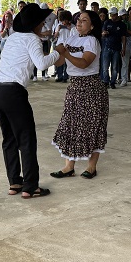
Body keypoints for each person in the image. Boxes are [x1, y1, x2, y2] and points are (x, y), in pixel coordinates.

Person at [0, 3, 65, 198]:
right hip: (13, 92)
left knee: (9, 139)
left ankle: (15, 182)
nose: (44, 24)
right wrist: (59, 52)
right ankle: (31, 186)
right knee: (27, 139)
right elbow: (41, 63)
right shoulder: (32, 39)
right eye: (42, 21)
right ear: (36, 23)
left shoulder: (13, 38)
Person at [50, 11, 107, 179]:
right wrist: (55, 53)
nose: (79, 23)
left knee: (92, 127)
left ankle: (91, 167)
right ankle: (69, 166)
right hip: (74, 87)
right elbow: (60, 61)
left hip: (91, 88)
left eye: (84, 20)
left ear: (93, 25)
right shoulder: (71, 38)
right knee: (70, 125)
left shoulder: (93, 41)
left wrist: (65, 53)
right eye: (78, 20)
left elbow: (84, 63)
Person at [100, 7, 126, 89]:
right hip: (107, 47)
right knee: (105, 67)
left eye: (114, 15)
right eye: (111, 15)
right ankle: (106, 81)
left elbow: (123, 37)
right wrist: (104, 33)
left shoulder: (122, 25)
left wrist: (123, 48)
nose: (112, 16)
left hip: (117, 48)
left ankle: (113, 82)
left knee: (115, 68)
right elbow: (103, 32)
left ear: (117, 14)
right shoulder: (107, 22)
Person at [52, 10, 73, 83]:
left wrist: (69, 28)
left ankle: (65, 76)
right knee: (59, 61)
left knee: (67, 61)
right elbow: (55, 36)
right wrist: (58, 30)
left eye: (65, 20)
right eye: (62, 20)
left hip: (68, 45)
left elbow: (74, 35)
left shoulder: (72, 26)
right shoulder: (59, 25)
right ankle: (59, 76)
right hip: (60, 44)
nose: (64, 22)